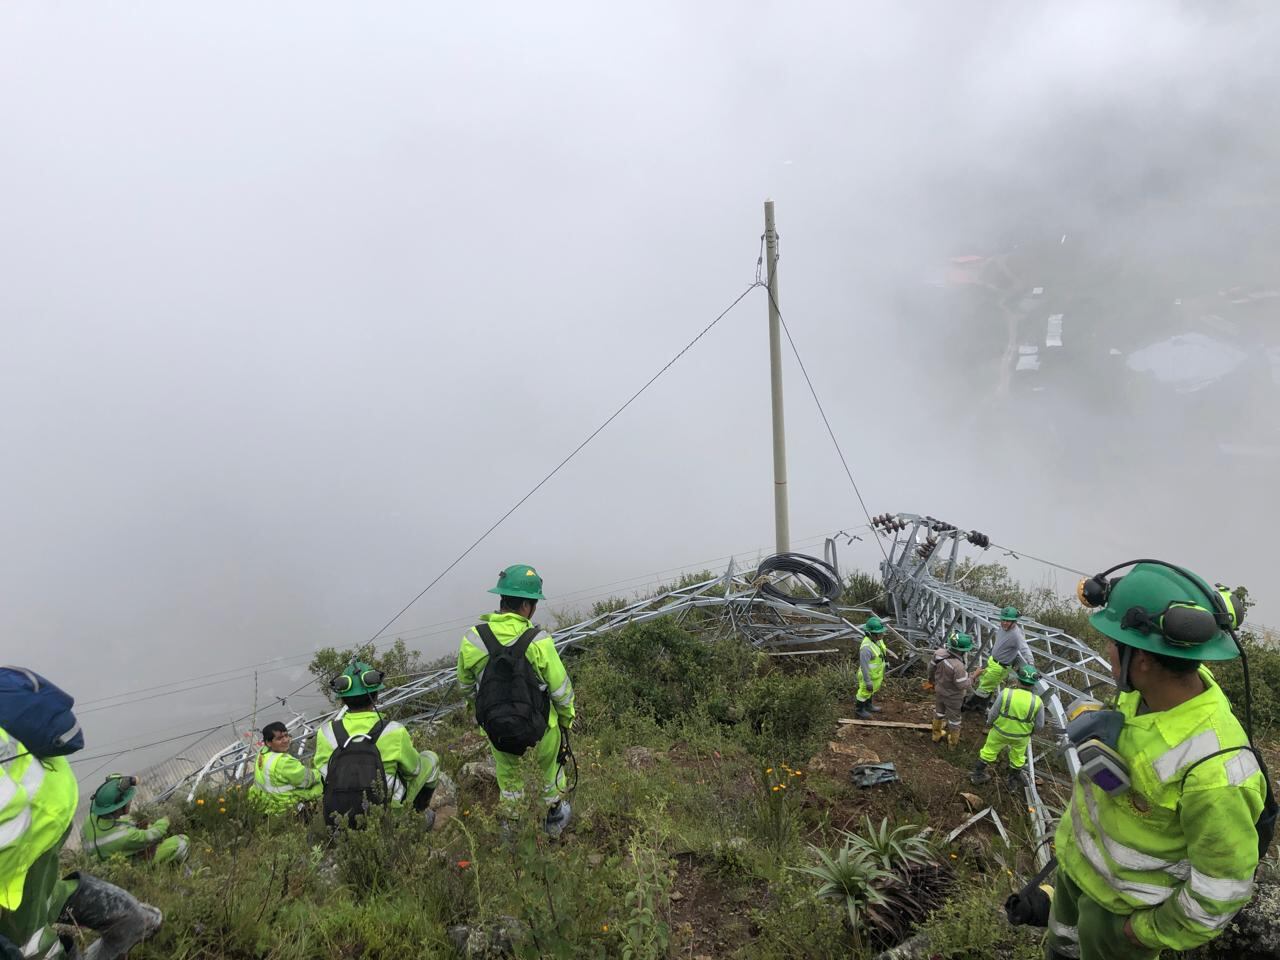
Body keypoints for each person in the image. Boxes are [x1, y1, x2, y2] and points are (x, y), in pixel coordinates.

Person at [1046, 561, 1268, 960]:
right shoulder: (1145, 693)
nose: (1106, 650)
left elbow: (1222, 889)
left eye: (1113, 644)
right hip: (1077, 874)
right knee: (1062, 947)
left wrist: (1141, 932)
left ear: (1143, 660)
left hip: (1122, 918)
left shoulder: (1216, 773)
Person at [0, 666, 163, 959]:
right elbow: (150, 836)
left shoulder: (82, 823)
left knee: (129, 917)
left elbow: (40, 882)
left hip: (34, 891)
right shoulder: (120, 833)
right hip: (27, 928)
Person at [457, 564, 577, 837]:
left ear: (501, 600)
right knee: (550, 773)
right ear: (526, 605)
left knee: (509, 778)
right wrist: (566, 720)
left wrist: (485, 715)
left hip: (498, 729)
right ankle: (553, 822)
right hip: (542, 728)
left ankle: (512, 833)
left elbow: (465, 688)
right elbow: (561, 691)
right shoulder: (539, 641)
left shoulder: (473, 639)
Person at [313, 662, 440, 827]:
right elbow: (414, 770)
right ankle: (417, 816)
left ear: (343, 699)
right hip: (388, 809)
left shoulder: (326, 733)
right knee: (431, 758)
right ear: (376, 695)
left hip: (342, 812)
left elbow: (324, 775)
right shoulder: (394, 731)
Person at [81, 775, 190, 864]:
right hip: (128, 866)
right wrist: (165, 820)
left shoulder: (90, 819)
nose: (130, 802)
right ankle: (171, 869)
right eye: (128, 801)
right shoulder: (125, 836)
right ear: (119, 807)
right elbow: (155, 834)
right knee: (182, 841)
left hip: (106, 861)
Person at [970, 664, 1045, 789]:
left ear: (1017, 680)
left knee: (988, 751)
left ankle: (977, 775)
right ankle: (1011, 783)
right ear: (1034, 684)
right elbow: (1040, 725)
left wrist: (989, 723)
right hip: (1021, 737)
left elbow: (993, 713)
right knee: (1018, 758)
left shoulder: (1006, 693)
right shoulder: (1037, 701)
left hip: (1000, 731)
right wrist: (1029, 733)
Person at [964, 605, 1036, 711]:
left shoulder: (1016, 635)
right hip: (993, 661)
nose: (1004, 623)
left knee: (984, 688)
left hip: (999, 667)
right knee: (987, 685)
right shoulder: (1003, 627)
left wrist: (1031, 665)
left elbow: (1025, 649)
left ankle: (968, 707)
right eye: (1003, 620)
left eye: (1008, 621)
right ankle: (981, 707)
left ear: (1014, 622)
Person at [248, 721, 321, 816]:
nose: (286, 740)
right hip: (284, 808)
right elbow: (308, 780)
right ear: (268, 743)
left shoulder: (261, 753)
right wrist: (322, 773)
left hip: (266, 804)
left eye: (286, 736)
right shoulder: (284, 762)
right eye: (279, 738)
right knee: (323, 785)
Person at [926, 631, 973, 747]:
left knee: (939, 712)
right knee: (954, 720)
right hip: (953, 697)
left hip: (939, 690)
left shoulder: (938, 654)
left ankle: (936, 735)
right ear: (963, 650)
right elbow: (962, 685)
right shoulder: (958, 666)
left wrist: (931, 681)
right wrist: (974, 677)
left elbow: (930, 668)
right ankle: (952, 743)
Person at [854, 615, 889, 719]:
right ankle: (859, 710)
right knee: (864, 692)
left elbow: (882, 651)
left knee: (871, 691)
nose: (883, 634)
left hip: (876, 674)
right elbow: (864, 667)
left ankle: (868, 705)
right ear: (871, 634)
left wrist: (886, 662)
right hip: (868, 675)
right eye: (880, 633)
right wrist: (868, 681)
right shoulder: (866, 648)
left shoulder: (878, 640)